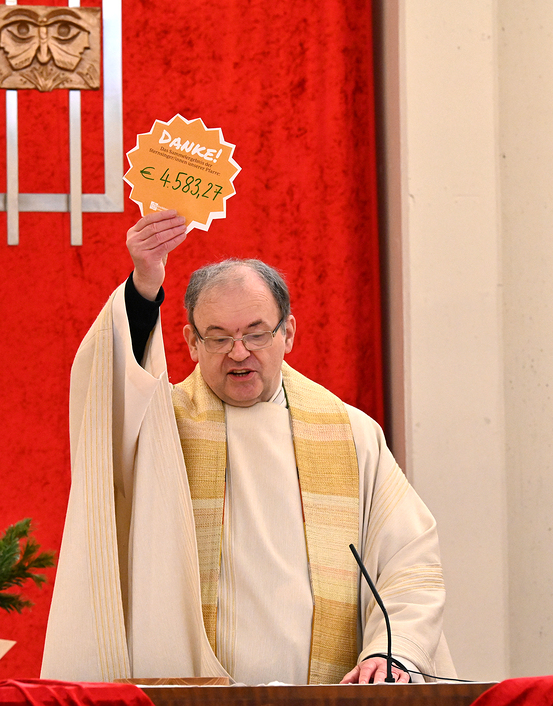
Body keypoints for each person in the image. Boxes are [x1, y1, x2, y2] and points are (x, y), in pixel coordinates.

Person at [41, 211, 454, 685]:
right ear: (191, 342)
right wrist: (144, 287)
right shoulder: (161, 429)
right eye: (218, 337)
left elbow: (408, 561)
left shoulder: (351, 434)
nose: (238, 352)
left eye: (256, 334)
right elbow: (109, 398)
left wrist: (390, 653)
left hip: (327, 695)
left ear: (288, 333)